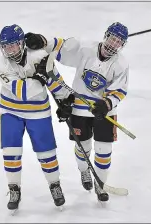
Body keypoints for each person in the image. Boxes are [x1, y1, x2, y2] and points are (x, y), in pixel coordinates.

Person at [25, 22, 129, 202]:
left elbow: (120, 90)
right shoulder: (85, 48)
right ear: (106, 35)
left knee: (104, 149)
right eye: (112, 38)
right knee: (84, 147)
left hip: (104, 112)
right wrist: (42, 41)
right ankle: (84, 171)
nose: (113, 44)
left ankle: (101, 184)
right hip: (80, 107)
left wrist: (107, 104)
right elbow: (61, 46)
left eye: (118, 42)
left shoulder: (121, 64)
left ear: (122, 45)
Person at [0, 24, 73, 211]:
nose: (10, 51)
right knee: (10, 152)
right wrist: (39, 77)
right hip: (10, 111)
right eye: (6, 47)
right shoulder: (2, 65)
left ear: (22, 43)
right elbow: (21, 92)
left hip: (38, 112)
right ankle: (14, 188)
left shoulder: (39, 56)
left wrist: (66, 99)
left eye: (14, 45)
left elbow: (54, 79)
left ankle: (55, 185)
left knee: (47, 153)